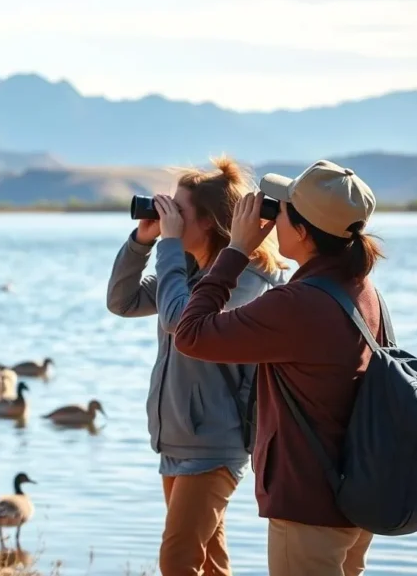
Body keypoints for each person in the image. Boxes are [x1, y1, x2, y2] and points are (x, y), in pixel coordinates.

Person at [173, 160, 385, 576]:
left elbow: (190, 334)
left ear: (303, 231)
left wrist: (235, 250)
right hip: (356, 496)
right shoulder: (361, 289)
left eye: (281, 208)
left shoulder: (296, 304)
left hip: (310, 506)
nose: (271, 215)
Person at [106, 156, 287, 575]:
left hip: (214, 445)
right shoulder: (189, 273)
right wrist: (142, 241)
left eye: (178, 211)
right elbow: (122, 301)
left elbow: (180, 322)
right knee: (208, 562)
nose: (169, 217)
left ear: (208, 222)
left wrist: (168, 246)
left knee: (177, 562)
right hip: (178, 439)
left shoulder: (246, 281)